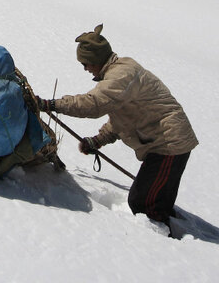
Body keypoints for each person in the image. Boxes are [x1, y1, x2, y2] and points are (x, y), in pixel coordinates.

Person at [36, 24, 197, 234]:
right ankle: (166, 225)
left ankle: (162, 242)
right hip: (165, 141)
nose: (85, 69)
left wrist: (52, 105)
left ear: (96, 60)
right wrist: (97, 140)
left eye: (85, 63)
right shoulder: (119, 74)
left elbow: (94, 104)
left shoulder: (121, 76)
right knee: (153, 197)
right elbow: (123, 119)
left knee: (143, 203)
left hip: (169, 142)